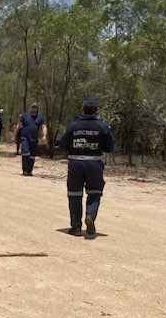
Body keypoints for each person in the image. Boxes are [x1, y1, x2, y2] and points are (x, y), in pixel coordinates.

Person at [59, 98, 115, 237]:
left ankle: (76, 227)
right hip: (95, 164)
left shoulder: (72, 126)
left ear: (82, 109)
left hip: (75, 164)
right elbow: (110, 147)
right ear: (96, 111)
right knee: (95, 192)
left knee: (74, 195)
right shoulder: (103, 126)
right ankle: (90, 215)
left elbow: (63, 146)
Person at [13, 103, 47, 176]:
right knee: (25, 153)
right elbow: (18, 126)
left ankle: (29, 171)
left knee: (32, 155)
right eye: (32, 107)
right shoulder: (24, 116)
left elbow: (44, 126)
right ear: (30, 108)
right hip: (25, 137)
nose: (34, 108)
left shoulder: (40, 118)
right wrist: (14, 136)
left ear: (37, 109)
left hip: (34, 139)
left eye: (35, 107)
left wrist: (44, 135)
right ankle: (25, 170)